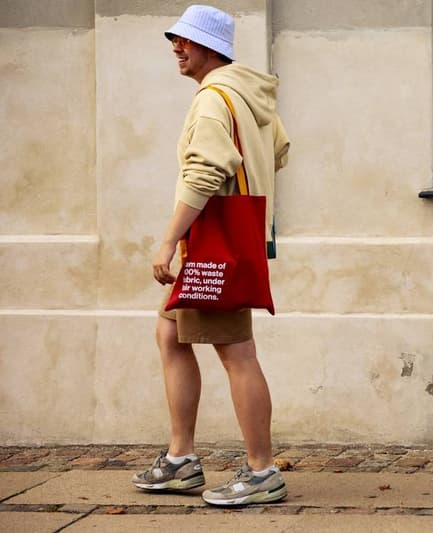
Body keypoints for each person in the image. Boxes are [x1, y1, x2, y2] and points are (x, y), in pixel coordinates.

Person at [131, 5, 290, 507]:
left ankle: (263, 470)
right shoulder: (247, 95)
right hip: (233, 243)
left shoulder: (212, 99)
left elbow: (205, 172)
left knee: (237, 353)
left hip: (214, 248)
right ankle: (181, 459)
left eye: (186, 40)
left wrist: (166, 240)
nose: (177, 48)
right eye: (174, 39)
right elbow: (280, 147)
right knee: (170, 330)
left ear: (210, 48)